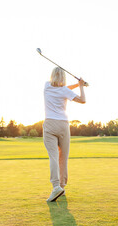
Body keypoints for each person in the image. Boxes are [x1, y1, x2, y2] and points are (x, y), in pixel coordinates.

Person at [44, 67, 86, 202]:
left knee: (53, 157)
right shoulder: (65, 91)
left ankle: (56, 187)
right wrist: (81, 86)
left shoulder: (46, 86)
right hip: (63, 124)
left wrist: (77, 84)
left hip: (50, 124)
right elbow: (82, 100)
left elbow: (64, 88)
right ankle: (61, 187)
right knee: (63, 158)